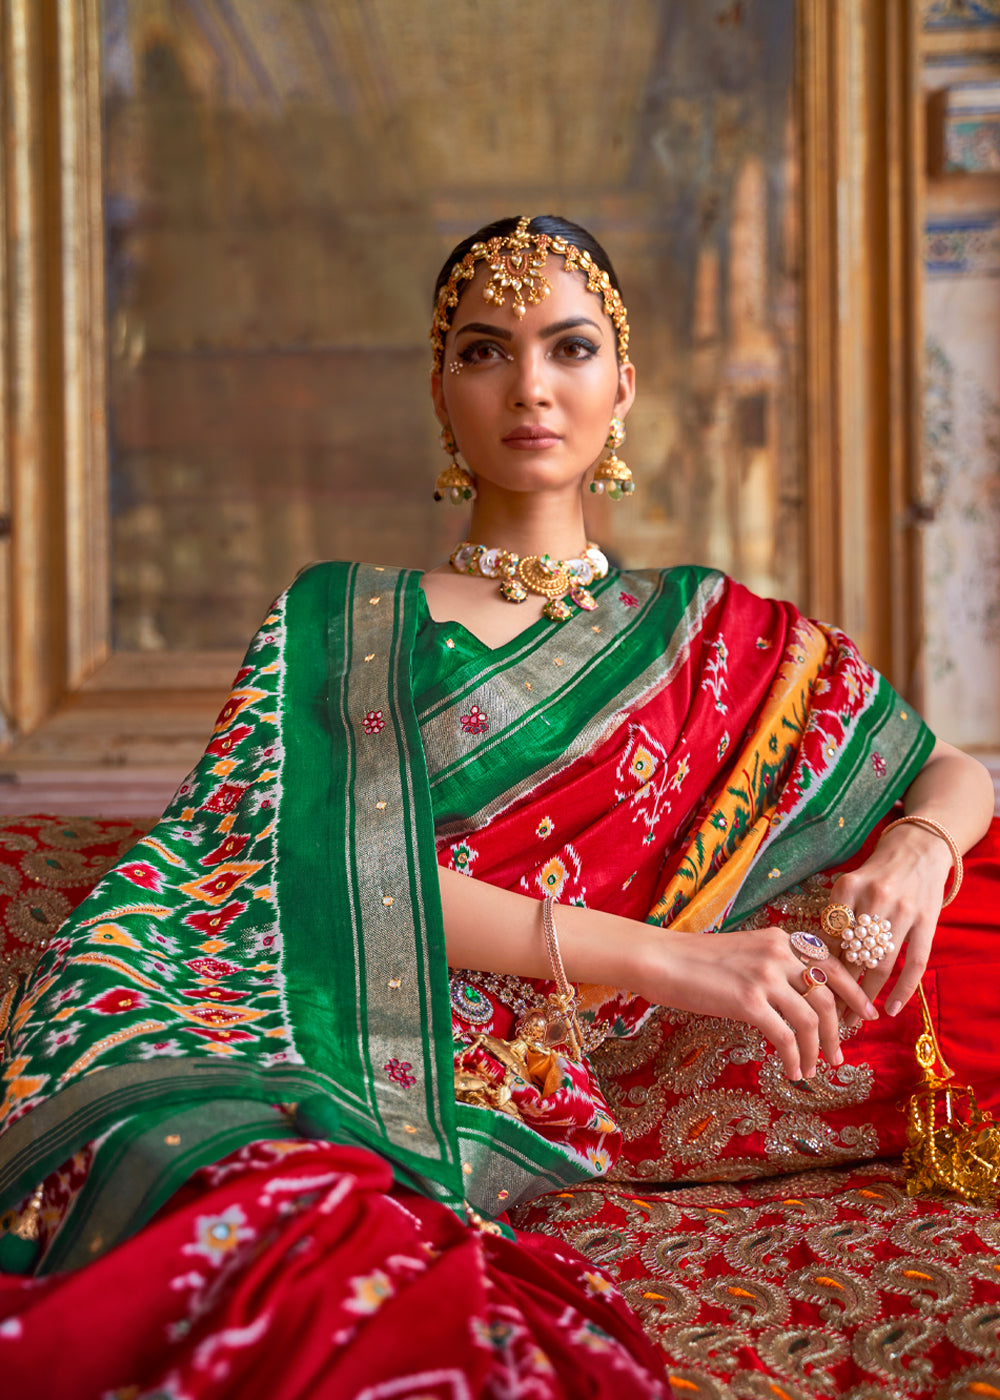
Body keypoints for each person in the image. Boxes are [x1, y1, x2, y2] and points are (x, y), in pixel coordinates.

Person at [0, 214, 996, 1398]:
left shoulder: (713, 632)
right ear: (441, 387)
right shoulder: (339, 620)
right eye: (485, 350)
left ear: (622, 385)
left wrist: (918, 850)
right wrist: (674, 960)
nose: (529, 385)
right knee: (212, 1170)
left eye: (568, 348)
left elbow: (952, 768)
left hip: (489, 1067)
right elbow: (298, 866)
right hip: (267, 1004)